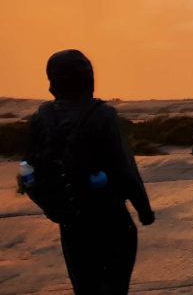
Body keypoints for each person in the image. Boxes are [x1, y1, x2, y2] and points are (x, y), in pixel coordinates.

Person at [25, 49, 154, 295]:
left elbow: (29, 172)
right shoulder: (103, 115)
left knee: (85, 288)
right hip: (111, 220)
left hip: (71, 223)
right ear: (88, 78)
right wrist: (144, 210)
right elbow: (124, 169)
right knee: (114, 287)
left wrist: (53, 208)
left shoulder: (41, 117)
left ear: (53, 81)